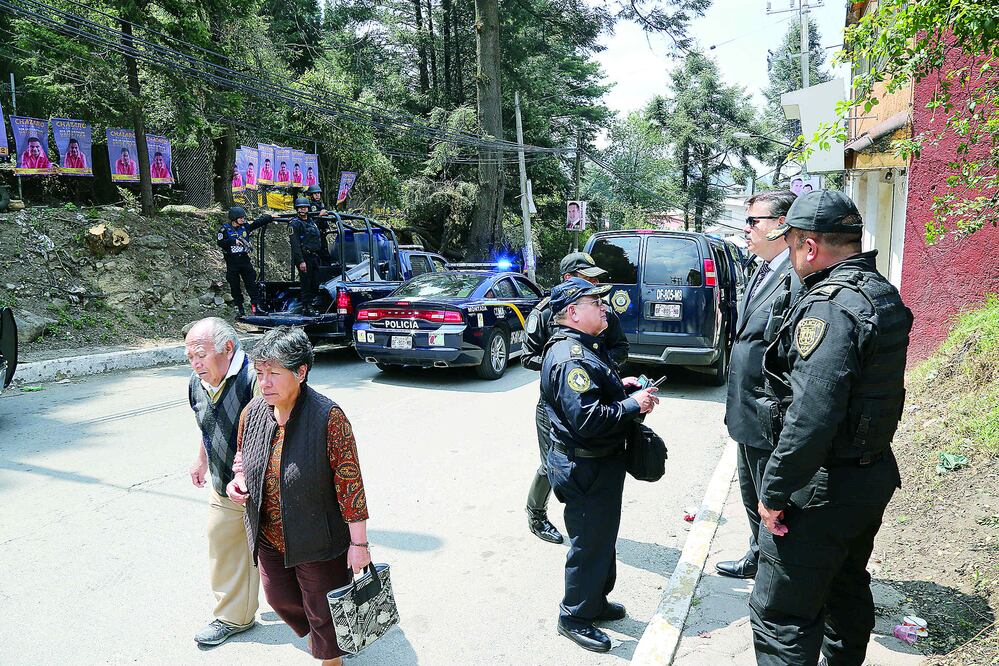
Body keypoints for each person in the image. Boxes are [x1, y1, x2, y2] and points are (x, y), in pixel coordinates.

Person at [750, 189, 912, 665]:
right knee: (845, 588)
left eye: (794, 243)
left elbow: (812, 415)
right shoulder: (879, 291)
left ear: (810, 246)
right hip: (867, 475)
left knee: (782, 615)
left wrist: (774, 491)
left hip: (822, 487)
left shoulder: (831, 306)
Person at [226, 326, 371, 666]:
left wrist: (359, 545)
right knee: (279, 599)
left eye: (274, 374)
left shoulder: (328, 417)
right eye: (260, 373)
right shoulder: (254, 411)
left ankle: (330, 656)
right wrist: (239, 478)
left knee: (322, 607)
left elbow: (350, 484)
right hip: (269, 534)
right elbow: (243, 456)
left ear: (300, 371)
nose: (265, 383)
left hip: (318, 537)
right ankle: (321, 637)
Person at [541, 277, 660, 653]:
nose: (604, 306)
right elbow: (588, 419)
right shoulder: (569, 356)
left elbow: (592, 392)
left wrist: (620, 387)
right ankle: (573, 615)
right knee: (588, 542)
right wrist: (631, 405)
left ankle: (595, 600)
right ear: (573, 313)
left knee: (603, 536)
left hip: (601, 463)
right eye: (595, 302)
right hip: (584, 467)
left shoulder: (584, 347)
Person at [716, 190, 800, 580]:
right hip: (747, 408)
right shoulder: (762, 268)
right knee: (751, 491)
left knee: (772, 497)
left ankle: (774, 567)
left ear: (782, 225)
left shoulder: (796, 277)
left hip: (770, 410)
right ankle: (757, 554)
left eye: (754, 221)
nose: (746, 229)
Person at [521, 252, 629, 545]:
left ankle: (586, 522)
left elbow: (620, 347)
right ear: (569, 279)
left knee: (591, 464)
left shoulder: (601, 310)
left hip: (594, 398)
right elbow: (528, 356)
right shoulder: (546, 313)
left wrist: (601, 370)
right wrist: (567, 361)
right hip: (555, 405)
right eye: (588, 277)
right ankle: (537, 514)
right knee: (552, 464)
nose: (595, 283)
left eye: (596, 277)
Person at [184, 317, 261, 646]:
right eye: (189, 357)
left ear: (228, 348)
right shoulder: (196, 382)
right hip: (222, 480)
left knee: (280, 547)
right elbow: (206, 422)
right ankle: (235, 616)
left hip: (264, 484)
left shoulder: (255, 378)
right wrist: (201, 458)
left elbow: (270, 431)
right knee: (223, 539)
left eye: (200, 354)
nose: (195, 363)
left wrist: (245, 473)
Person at [218, 206, 272, 317]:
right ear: (234, 218)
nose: (243, 220)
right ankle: (240, 308)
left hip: (244, 260)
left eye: (243, 218)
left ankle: (256, 308)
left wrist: (269, 217)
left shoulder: (245, 227)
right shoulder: (224, 229)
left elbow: (257, 223)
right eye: (241, 218)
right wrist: (233, 241)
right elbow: (220, 243)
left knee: (251, 284)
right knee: (235, 286)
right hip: (232, 261)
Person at [289, 197, 323, 315]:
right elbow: (295, 245)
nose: (303, 209)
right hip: (304, 256)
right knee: (306, 283)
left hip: (314, 256)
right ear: (297, 209)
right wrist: (300, 261)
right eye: (300, 207)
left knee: (316, 281)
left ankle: (311, 304)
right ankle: (307, 307)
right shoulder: (294, 224)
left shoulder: (311, 221)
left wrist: (320, 214)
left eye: (305, 207)